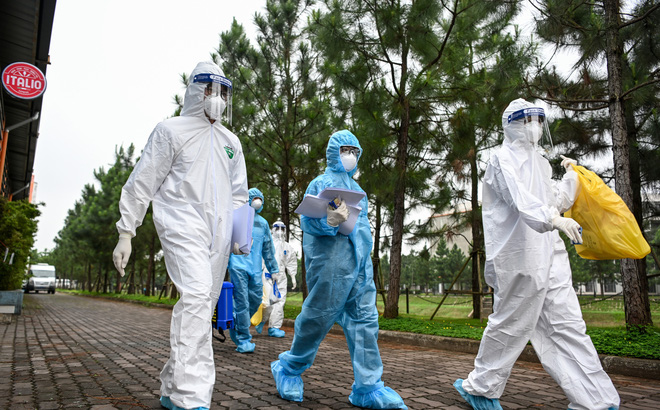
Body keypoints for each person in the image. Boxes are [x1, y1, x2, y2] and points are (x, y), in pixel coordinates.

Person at [453, 98, 620, 410]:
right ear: (512, 124)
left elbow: (552, 201)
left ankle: (595, 400)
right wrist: (553, 219)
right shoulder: (501, 160)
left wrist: (571, 178)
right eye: (529, 120)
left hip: (551, 253)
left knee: (567, 325)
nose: (536, 127)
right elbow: (522, 201)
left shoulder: (541, 162)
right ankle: (481, 388)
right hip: (520, 256)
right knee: (511, 325)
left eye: (540, 120)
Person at [112, 61, 248, 410]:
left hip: (219, 235)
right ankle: (191, 397)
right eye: (210, 89)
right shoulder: (171, 131)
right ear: (195, 91)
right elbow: (143, 181)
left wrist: (240, 234)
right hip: (181, 223)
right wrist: (127, 231)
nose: (217, 98)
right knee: (198, 296)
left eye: (223, 92)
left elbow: (239, 195)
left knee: (202, 305)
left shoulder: (231, 142)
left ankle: (173, 387)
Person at [271, 130, 407, 410]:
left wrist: (365, 263)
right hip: (330, 268)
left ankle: (368, 387)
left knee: (365, 322)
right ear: (334, 152)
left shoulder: (358, 191)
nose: (351, 156)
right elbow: (308, 222)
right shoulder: (320, 183)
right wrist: (329, 221)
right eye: (346, 150)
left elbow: (362, 232)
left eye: (355, 152)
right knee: (316, 320)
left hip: (359, 270)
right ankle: (288, 369)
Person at [228, 187, 279, 353]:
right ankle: (244, 339)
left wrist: (274, 269)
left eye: (260, 198)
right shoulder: (236, 218)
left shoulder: (263, 223)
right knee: (242, 300)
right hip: (238, 264)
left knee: (256, 299)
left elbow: (268, 248)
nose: (257, 201)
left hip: (255, 267)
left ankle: (237, 321)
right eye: (254, 198)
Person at [256, 220, 298, 338]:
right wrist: (258, 274)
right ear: (272, 230)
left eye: (282, 228)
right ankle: (261, 321)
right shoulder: (267, 245)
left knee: (279, 302)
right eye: (277, 228)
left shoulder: (287, 247)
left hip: (281, 278)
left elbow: (291, 262)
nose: (279, 231)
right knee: (266, 301)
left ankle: (274, 327)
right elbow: (260, 259)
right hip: (267, 275)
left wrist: (293, 276)